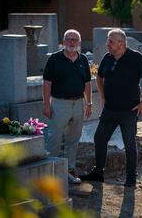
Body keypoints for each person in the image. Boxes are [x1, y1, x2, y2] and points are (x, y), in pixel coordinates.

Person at [79, 28, 142, 187]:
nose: (108, 44)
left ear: (121, 43)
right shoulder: (108, 57)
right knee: (99, 138)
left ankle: (131, 178)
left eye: (111, 42)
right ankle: (98, 172)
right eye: (108, 41)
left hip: (129, 110)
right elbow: (99, 77)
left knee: (129, 143)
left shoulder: (135, 58)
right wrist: (102, 97)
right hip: (110, 109)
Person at [43, 29, 92, 184]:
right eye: (68, 39)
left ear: (79, 42)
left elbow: (87, 83)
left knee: (74, 140)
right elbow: (47, 83)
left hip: (78, 103)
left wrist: (89, 103)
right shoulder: (54, 59)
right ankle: (51, 172)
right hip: (59, 104)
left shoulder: (83, 59)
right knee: (54, 138)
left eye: (75, 40)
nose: (71, 42)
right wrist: (46, 104)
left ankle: (69, 171)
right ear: (63, 42)